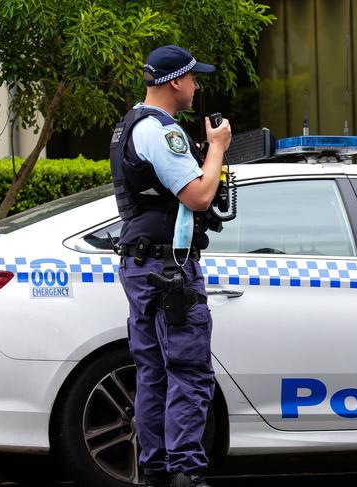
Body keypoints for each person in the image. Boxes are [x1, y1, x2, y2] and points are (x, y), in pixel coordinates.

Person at [109, 45, 231, 487]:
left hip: (144, 265)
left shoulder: (128, 126)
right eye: (194, 78)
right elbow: (197, 195)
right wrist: (216, 148)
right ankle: (184, 473)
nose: (197, 85)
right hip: (170, 271)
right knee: (188, 372)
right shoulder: (162, 131)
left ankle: (157, 472)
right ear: (176, 81)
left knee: (153, 373)